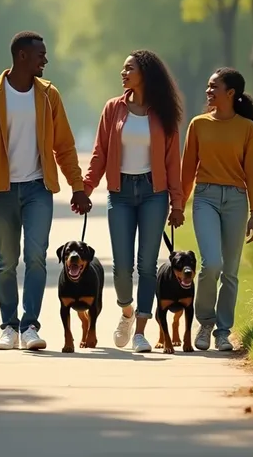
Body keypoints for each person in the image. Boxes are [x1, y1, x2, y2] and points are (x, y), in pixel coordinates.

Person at [0, 31, 91, 351]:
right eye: (41, 55)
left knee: (36, 257)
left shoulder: (49, 95)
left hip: (39, 188)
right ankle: (9, 326)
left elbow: (64, 146)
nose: (45, 60)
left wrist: (77, 187)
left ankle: (30, 326)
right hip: (3, 190)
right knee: (6, 261)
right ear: (23, 56)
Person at [84, 50, 184, 353]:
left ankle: (141, 328)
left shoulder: (163, 112)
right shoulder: (113, 108)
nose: (123, 73)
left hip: (154, 193)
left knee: (148, 265)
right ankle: (126, 312)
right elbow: (100, 151)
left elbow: (172, 162)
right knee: (122, 266)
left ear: (145, 73)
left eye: (129, 68)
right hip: (121, 192)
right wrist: (85, 188)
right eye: (123, 69)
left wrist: (177, 204)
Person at [180, 67, 253, 352]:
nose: (208, 90)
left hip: (237, 201)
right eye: (208, 85)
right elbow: (187, 168)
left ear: (231, 93)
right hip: (205, 197)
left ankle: (223, 332)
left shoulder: (247, 129)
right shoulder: (198, 124)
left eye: (214, 86)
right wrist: (178, 205)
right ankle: (205, 322)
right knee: (211, 263)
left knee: (230, 271)